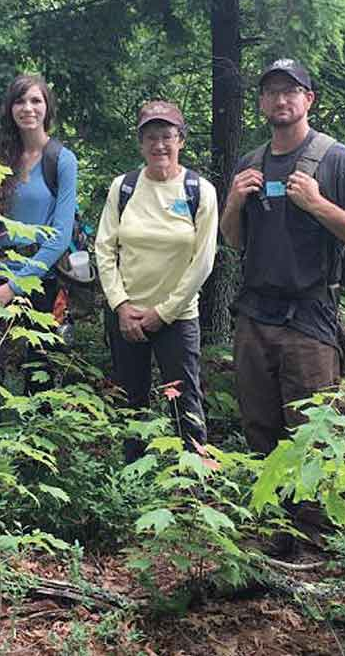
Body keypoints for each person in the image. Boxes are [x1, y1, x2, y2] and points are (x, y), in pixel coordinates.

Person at [220, 58, 345, 453]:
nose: (281, 99)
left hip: (311, 319)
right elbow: (233, 241)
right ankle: (267, 513)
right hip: (255, 316)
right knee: (259, 430)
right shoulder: (250, 163)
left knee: (312, 438)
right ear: (261, 104)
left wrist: (317, 204)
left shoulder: (338, 160)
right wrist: (233, 203)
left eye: (290, 90)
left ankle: (310, 516)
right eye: (272, 92)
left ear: (308, 99)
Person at [95, 101, 218, 462]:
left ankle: (193, 482)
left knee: (185, 401)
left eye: (167, 136)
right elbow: (104, 248)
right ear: (140, 142)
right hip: (126, 317)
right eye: (151, 136)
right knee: (130, 400)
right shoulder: (124, 187)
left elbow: (203, 261)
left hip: (177, 318)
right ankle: (134, 478)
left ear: (180, 139)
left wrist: (163, 313)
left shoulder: (199, 190)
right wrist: (120, 305)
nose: (159, 145)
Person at [0, 74, 78, 432]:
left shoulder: (61, 160)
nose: (28, 109)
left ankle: (33, 467)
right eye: (20, 101)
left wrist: (13, 288)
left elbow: (59, 236)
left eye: (35, 101)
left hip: (41, 280)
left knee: (40, 375)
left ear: (47, 108)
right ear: (9, 108)